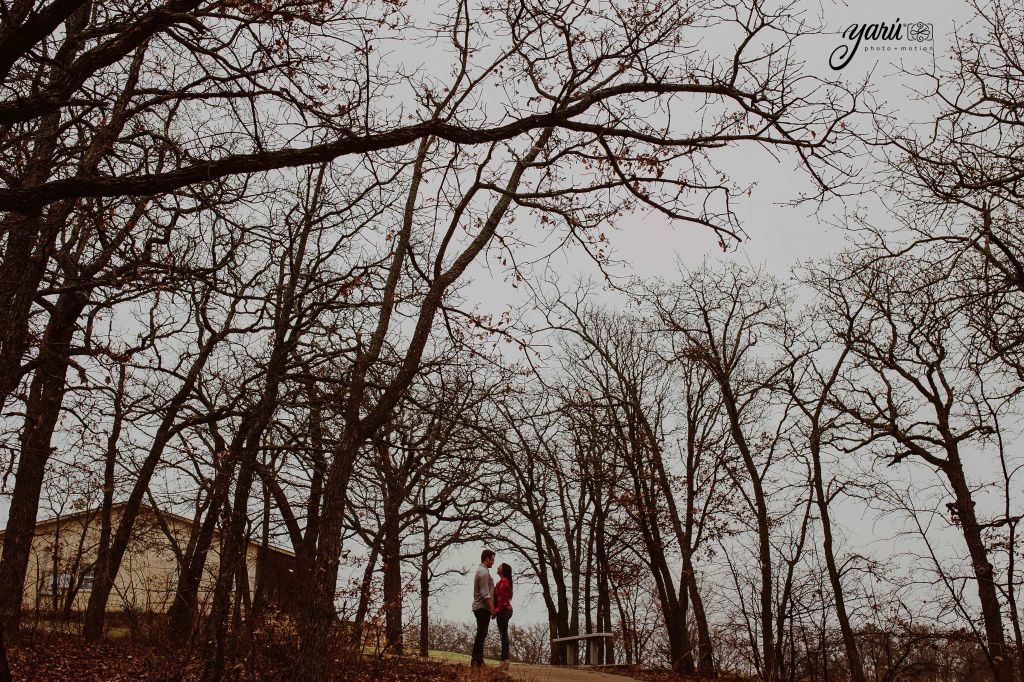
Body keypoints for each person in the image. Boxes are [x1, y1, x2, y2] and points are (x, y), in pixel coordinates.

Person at [470, 549, 496, 668]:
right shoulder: (484, 573)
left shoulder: (482, 571)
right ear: (486, 558)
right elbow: (485, 594)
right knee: (481, 634)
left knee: (482, 634)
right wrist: (492, 609)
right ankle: (476, 661)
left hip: (480, 607)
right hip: (482, 608)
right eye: (492, 560)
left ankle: (478, 661)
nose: (493, 562)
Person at [493, 562, 514, 670]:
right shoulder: (500, 582)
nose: (497, 567)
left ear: (504, 570)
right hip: (504, 610)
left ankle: (504, 661)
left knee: (504, 635)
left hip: (504, 610)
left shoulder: (504, 581)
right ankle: (504, 661)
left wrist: (495, 612)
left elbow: (500, 600)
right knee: (503, 635)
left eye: (500, 566)